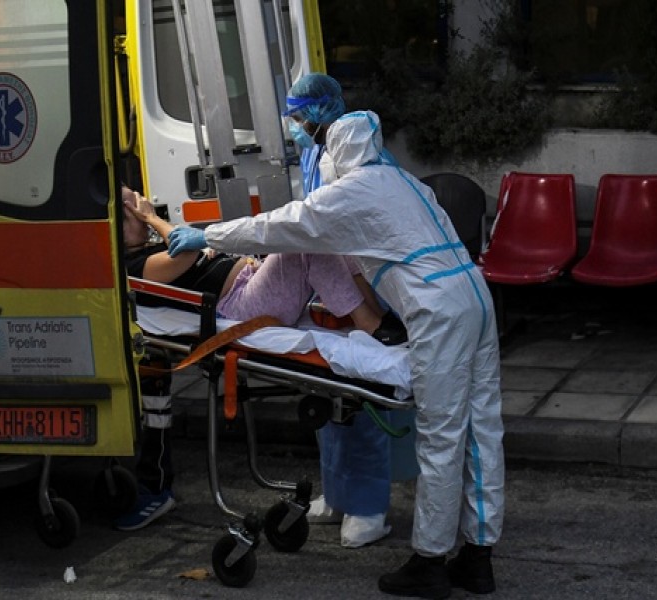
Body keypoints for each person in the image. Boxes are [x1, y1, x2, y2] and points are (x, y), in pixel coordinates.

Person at [166, 110, 505, 598]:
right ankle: (478, 558)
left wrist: (210, 235)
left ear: (337, 153)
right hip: (475, 297)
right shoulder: (404, 181)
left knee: (443, 436)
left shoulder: (352, 191)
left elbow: (282, 225)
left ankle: (430, 562)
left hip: (438, 311)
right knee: (481, 428)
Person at [113, 185, 406, 531]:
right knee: (304, 243)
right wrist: (153, 217)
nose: (139, 203)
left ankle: (377, 317)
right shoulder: (133, 265)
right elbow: (187, 254)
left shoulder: (149, 247)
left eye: (136, 198)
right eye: (130, 207)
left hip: (249, 281)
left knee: (328, 234)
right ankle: (371, 324)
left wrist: (150, 220)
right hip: (238, 305)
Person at [280, 73, 398, 549]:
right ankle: (338, 495)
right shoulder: (314, 154)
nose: (295, 125)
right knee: (327, 397)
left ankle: (368, 506)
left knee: (361, 397)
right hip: (333, 288)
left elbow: (353, 230)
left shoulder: (367, 164)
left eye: (300, 115)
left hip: (370, 288)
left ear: (324, 111)